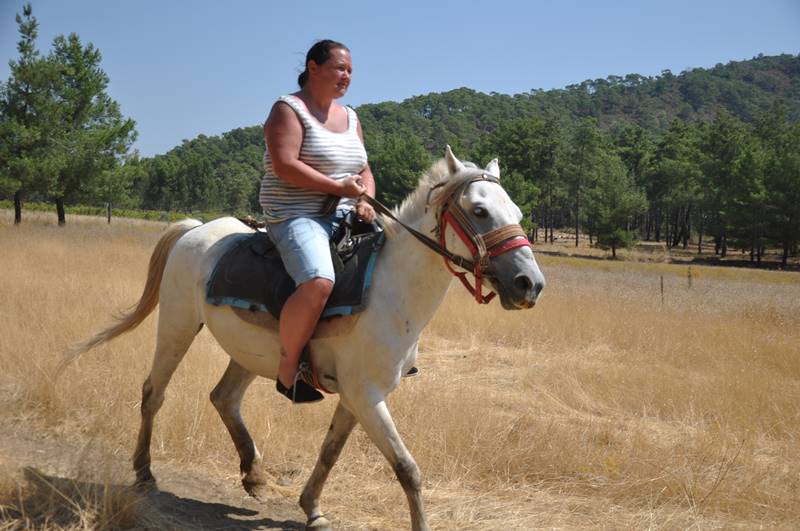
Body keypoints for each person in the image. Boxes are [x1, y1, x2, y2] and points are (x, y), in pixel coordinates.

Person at [260, 40, 376, 403]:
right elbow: (285, 165)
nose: (346, 76)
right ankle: (288, 370)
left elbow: (363, 169)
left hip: (345, 214)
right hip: (296, 215)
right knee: (319, 282)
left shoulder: (351, 117)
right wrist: (338, 188)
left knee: (399, 259)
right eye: (340, 68)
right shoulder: (288, 109)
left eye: (351, 71)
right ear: (313, 67)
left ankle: (385, 352)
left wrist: (364, 198)